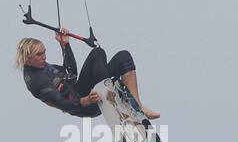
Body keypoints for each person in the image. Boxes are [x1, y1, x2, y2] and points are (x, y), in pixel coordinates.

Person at [15, 29, 159, 119]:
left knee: (123, 57)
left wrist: (65, 46)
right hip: (83, 104)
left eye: (44, 52)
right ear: (27, 57)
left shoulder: (43, 66)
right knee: (97, 53)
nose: (44, 57)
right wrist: (87, 100)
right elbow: (63, 104)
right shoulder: (35, 80)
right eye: (39, 54)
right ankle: (112, 99)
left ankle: (137, 107)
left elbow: (71, 74)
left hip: (84, 91)